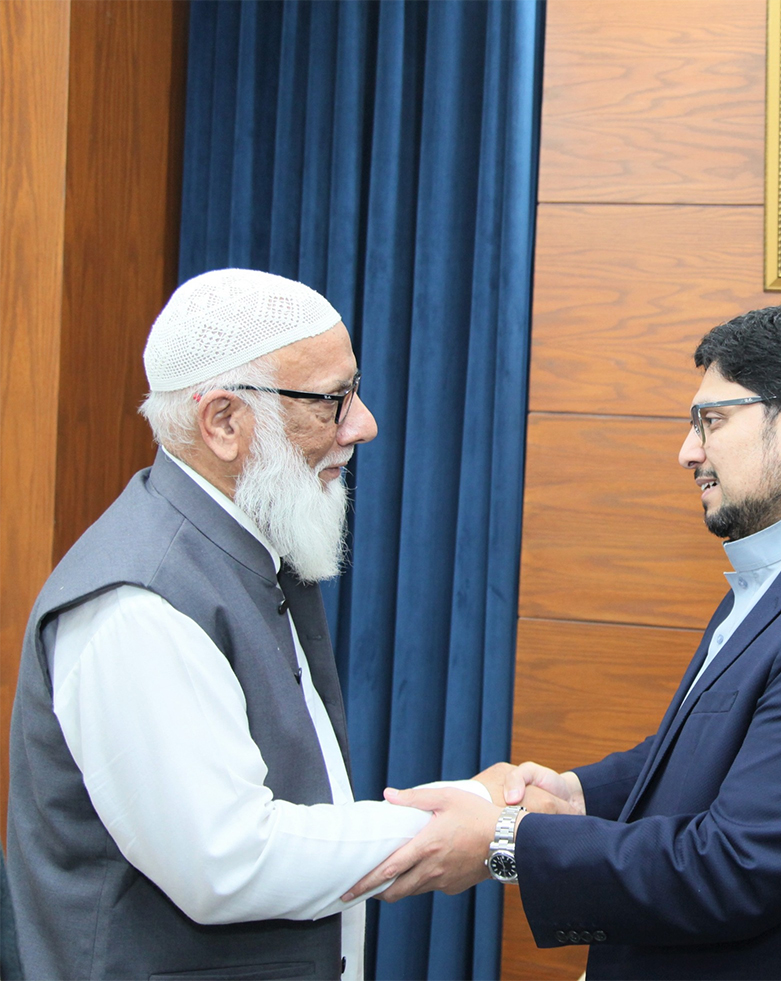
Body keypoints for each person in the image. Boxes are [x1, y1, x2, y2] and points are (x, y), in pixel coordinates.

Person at [348, 299, 781, 980]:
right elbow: (728, 748)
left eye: (711, 421)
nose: (688, 450)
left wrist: (505, 841)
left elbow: (740, 865)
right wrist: (577, 795)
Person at [5, 269, 490, 981]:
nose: (363, 424)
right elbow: (227, 859)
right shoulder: (137, 603)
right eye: (333, 400)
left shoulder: (249, 551)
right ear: (224, 422)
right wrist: (458, 824)